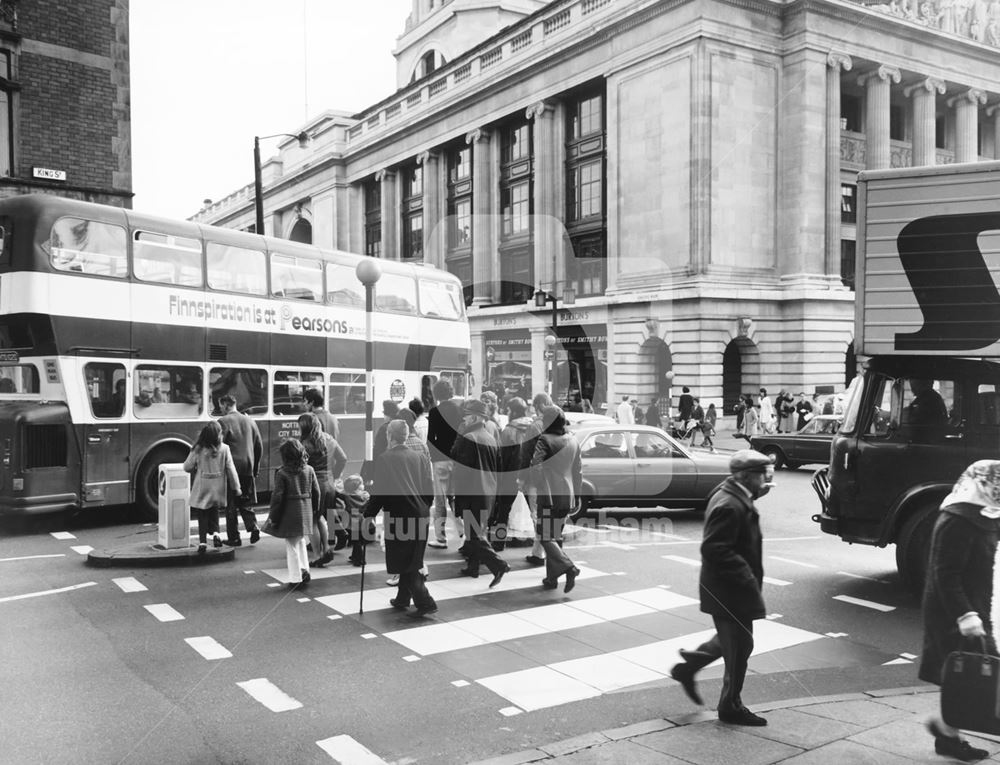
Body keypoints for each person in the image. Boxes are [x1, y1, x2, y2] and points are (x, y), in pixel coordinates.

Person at [670, 449, 775, 726]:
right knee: (739, 647)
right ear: (748, 477)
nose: (765, 480)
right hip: (729, 589)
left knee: (735, 641)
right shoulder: (730, 504)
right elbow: (714, 548)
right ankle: (730, 706)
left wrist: (753, 495)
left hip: (728, 588)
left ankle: (689, 666)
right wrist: (746, 577)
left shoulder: (732, 493)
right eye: (762, 476)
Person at [919, 461, 1000, 762]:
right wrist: (965, 615)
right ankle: (947, 731)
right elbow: (944, 573)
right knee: (972, 671)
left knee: (966, 675)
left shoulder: (985, 511)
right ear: (983, 483)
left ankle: (947, 732)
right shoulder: (956, 519)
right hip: (953, 612)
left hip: (974, 606)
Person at [364, 421, 437, 617]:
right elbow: (429, 489)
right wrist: (424, 506)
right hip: (420, 514)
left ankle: (426, 602)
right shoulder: (420, 457)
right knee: (411, 558)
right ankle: (402, 598)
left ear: (390, 436)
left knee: (407, 562)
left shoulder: (385, 459)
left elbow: (379, 492)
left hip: (400, 516)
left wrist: (368, 514)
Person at [450, 398, 510, 587]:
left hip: (471, 492)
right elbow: (498, 468)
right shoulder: (491, 438)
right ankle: (473, 566)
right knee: (476, 531)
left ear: (475, 417)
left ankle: (498, 564)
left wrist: (455, 497)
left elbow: (460, 470)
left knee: (474, 534)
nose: (464, 420)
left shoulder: (468, 438)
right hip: (488, 492)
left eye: (466, 416)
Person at [530, 406, 583, 593]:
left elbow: (535, 466)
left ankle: (569, 567)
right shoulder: (573, 440)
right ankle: (551, 578)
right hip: (566, 496)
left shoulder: (544, 439)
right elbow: (578, 471)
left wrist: (537, 484)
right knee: (555, 536)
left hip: (549, 495)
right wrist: (577, 496)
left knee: (544, 534)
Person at [266, 438, 320, 588]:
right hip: (306, 510)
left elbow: (277, 498)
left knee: (291, 546)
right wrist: (315, 510)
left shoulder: (282, 473)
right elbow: (316, 492)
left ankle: (296, 578)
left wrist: (273, 517)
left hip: (290, 513)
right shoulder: (309, 470)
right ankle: (305, 569)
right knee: (301, 541)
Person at [183, 421, 240, 553]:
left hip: (203, 486)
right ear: (219, 435)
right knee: (214, 510)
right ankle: (216, 534)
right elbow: (231, 469)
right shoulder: (225, 449)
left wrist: (196, 467)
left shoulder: (198, 449)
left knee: (202, 513)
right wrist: (236, 487)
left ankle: (202, 542)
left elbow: (187, 467)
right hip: (218, 487)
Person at [218, 394, 263, 547]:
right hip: (248, 467)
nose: (220, 410)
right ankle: (253, 526)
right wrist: (255, 467)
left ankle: (234, 538)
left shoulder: (223, 422)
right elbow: (259, 446)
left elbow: (219, 447)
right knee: (245, 500)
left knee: (231, 504)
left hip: (233, 468)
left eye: (220, 406)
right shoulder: (250, 420)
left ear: (225, 404)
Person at [491, 397, 534, 551]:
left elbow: (502, 456)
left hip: (511, 474)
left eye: (508, 409)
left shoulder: (509, 430)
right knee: (535, 511)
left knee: (503, 509)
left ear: (514, 411)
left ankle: (499, 542)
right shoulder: (533, 427)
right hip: (530, 473)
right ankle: (543, 547)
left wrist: (499, 477)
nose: (507, 412)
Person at [427, 379, 465, 549]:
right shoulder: (459, 410)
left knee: (440, 499)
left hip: (440, 461)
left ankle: (441, 538)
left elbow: (430, 439)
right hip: (456, 460)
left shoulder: (435, 412)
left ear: (436, 394)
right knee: (455, 497)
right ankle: (464, 532)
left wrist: (434, 456)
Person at [521, 392, 554, 567]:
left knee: (536, 514)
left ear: (539, 406)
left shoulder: (535, 427)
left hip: (537, 477)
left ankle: (543, 551)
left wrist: (522, 478)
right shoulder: (559, 425)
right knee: (546, 515)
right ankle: (538, 552)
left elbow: (526, 453)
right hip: (554, 477)